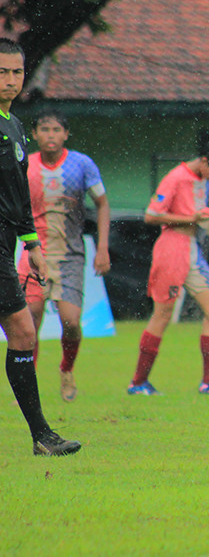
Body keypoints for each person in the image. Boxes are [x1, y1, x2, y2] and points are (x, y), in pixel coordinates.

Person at [0, 38, 81, 455]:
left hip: (6, 245)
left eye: (16, 72)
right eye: (2, 72)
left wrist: (30, 240)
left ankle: (42, 437)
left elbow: (14, 192)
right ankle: (41, 437)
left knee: (23, 332)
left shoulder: (12, 125)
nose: (10, 80)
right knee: (23, 331)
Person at [126, 139, 209, 396]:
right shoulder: (176, 177)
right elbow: (151, 215)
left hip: (191, 250)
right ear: (204, 161)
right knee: (162, 315)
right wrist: (191, 218)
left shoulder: (203, 179)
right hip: (172, 249)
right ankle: (138, 383)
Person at [17, 111, 110, 402]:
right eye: (44, 129)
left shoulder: (82, 164)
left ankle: (66, 369)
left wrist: (103, 247)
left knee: (71, 321)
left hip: (70, 255)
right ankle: (27, 385)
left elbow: (102, 203)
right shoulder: (25, 164)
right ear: (34, 134)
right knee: (29, 319)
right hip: (32, 253)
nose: (51, 135)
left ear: (66, 134)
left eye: (56, 130)